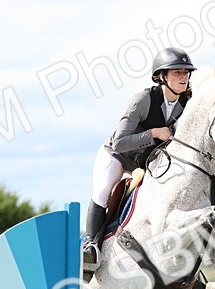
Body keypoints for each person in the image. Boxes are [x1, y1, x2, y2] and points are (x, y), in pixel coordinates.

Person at [83, 47, 196, 270]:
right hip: (118, 156)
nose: (183, 77)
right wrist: (154, 133)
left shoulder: (187, 103)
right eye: (177, 73)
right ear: (162, 76)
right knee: (104, 191)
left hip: (146, 163)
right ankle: (90, 246)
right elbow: (120, 142)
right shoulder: (143, 99)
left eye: (186, 73)